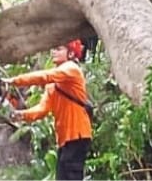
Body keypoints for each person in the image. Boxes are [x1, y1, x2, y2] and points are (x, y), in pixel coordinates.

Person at [6, 40, 92, 180]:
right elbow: (42, 109)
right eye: (53, 49)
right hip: (65, 139)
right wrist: (21, 115)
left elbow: (45, 76)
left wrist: (16, 80)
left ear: (70, 53)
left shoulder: (71, 69)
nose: (53, 52)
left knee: (71, 175)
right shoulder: (52, 86)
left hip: (78, 135)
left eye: (58, 49)